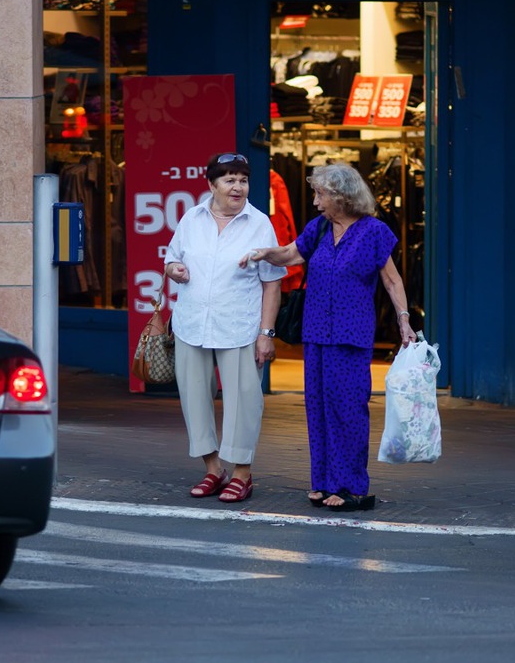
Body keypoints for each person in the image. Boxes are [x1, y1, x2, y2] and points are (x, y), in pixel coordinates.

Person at [240, 161, 416, 512]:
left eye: (321, 194)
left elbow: (392, 281)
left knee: (348, 410)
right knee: (318, 408)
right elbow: (291, 253)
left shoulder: (374, 231)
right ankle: (322, 481)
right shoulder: (318, 227)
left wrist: (404, 321)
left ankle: (353, 487)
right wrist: (265, 253)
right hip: (316, 332)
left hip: (351, 335)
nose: (317, 201)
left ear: (341, 196)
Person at [164, 153, 286, 503]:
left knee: (245, 401)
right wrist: (174, 268)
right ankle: (213, 468)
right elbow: (172, 258)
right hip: (191, 324)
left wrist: (266, 334)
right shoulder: (191, 219)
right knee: (194, 398)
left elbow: (272, 283)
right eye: (229, 179)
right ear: (211, 185)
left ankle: (242, 474)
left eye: (243, 180)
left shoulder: (259, 223)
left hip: (239, 327)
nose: (238, 187)